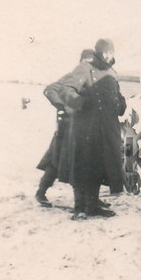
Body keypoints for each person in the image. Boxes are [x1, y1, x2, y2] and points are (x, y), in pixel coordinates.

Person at [40, 38, 125, 219]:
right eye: (106, 52)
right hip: (85, 128)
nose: (109, 56)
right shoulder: (85, 68)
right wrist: (80, 103)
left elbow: (117, 94)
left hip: (106, 129)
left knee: (99, 168)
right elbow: (66, 89)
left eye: (112, 52)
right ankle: (79, 208)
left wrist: (120, 104)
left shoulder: (112, 72)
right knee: (82, 167)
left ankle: (93, 206)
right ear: (99, 53)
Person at [60, 73, 126, 219]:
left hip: (97, 134)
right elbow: (62, 93)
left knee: (94, 169)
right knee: (79, 170)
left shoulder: (107, 82)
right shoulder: (78, 81)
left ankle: (91, 206)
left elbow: (120, 107)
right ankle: (79, 209)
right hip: (79, 133)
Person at [35, 48, 95, 207]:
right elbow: (50, 89)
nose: (89, 66)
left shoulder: (93, 80)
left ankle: (91, 198)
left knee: (86, 163)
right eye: (86, 62)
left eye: (92, 62)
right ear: (81, 62)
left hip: (83, 128)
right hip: (66, 127)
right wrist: (62, 106)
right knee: (55, 160)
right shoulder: (71, 77)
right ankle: (41, 192)